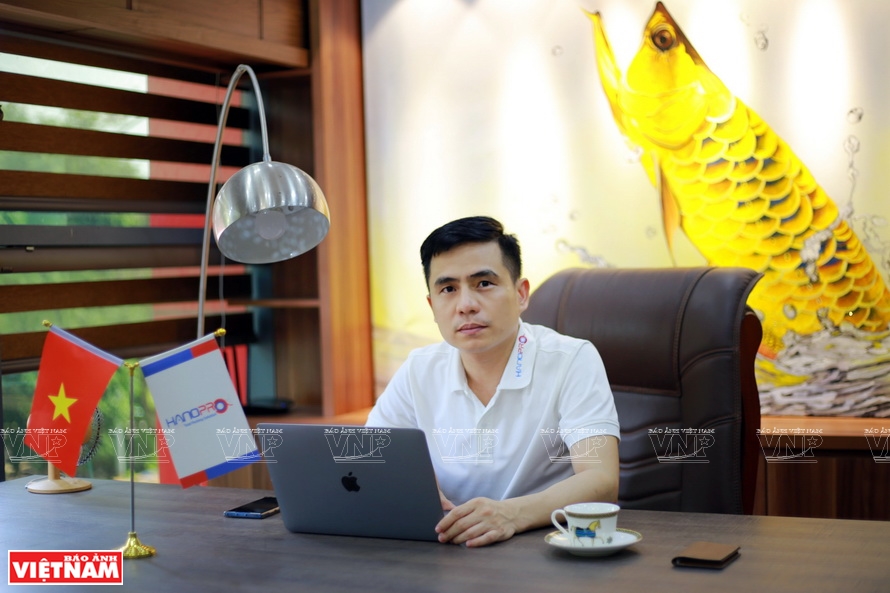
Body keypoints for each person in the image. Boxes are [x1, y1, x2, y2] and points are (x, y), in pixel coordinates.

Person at [366, 216, 620, 547]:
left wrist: (510, 515)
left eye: (484, 283)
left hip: (542, 545)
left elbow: (601, 480)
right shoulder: (419, 369)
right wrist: (415, 493)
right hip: (448, 545)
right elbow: (373, 460)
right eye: (448, 289)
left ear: (521, 294)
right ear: (432, 305)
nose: (466, 306)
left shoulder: (571, 359)